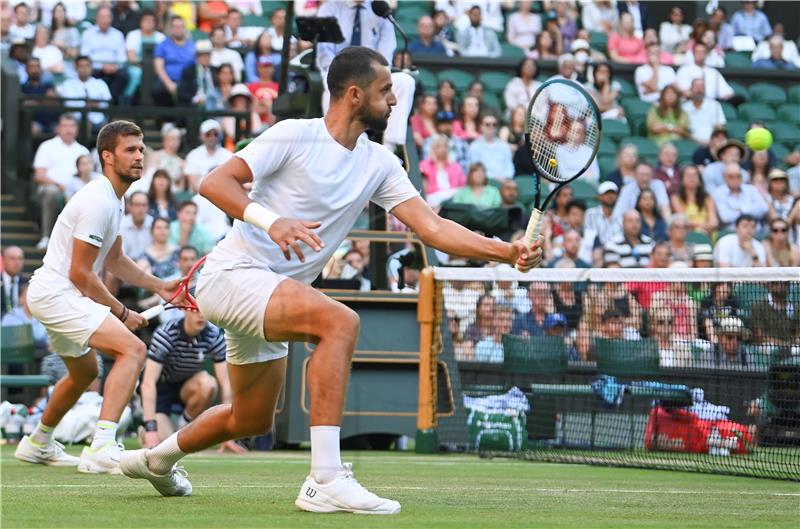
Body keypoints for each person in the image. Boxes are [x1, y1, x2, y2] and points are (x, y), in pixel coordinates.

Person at [119, 46, 542, 513]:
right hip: (233, 275)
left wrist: (506, 251)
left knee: (250, 417)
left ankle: (156, 459)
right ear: (355, 95)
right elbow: (215, 182)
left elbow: (434, 228)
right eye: (386, 92)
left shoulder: (380, 163)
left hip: (270, 292)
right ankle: (325, 478)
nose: (394, 102)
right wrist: (271, 221)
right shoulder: (294, 135)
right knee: (340, 323)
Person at [14, 121, 184, 473]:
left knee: (84, 372)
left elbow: (116, 259)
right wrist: (123, 313)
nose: (139, 157)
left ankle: (37, 443)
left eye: (141, 150)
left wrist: (159, 286)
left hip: (55, 292)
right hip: (58, 291)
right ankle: (102, 445)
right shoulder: (98, 200)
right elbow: (80, 273)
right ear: (107, 156)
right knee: (133, 350)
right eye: (130, 150)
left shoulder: (114, 199)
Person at [140, 310, 232, 447]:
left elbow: (226, 384)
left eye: (203, 309)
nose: (201, 315)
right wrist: (151, 430)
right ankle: (145, 429)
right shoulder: (166, 333)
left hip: (187, 386)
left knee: (208, 384)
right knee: (164, 446)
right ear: (184, 310)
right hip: (161, 390)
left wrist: (228, 433)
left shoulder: (213, 335)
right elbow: (148, 383)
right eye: (195, 310)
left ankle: (183, 428)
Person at [33, 114, 91, 249]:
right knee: (51, 192)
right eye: (65, 126)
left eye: (72, 126)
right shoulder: (47, 146)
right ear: (58, 128)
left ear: (77, 129)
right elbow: (39, 175)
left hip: (77, 190)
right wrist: (60, 185)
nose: (69, 130)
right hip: (54, 188)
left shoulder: (83, 150)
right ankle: (46, 237)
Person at [80, 6, 128, 104]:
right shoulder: (88, 34)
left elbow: (122, 57)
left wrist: (115, 66)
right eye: (102, 16)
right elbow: (85, 56)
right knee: (87, 71)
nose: (105, 20)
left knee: (124, 75)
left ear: (111, 18)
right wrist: (101, 67)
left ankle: (108, 103)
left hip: (114, 69)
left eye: (107, 17)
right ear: (96, 18)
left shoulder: (118, 35)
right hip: (95, 68)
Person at [57, 55, 112, 133]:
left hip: (98, 120)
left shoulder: (100, 83)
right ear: (76, 68)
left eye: (87, 66)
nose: (84, 69)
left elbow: (107, 103)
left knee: (109, 128)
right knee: (84, 125)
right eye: (81, 66)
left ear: (91, 68)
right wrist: (90, 104)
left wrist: (93, 104)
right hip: (75, 120)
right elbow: (69, 104)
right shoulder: (68, 84)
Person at [153, 16, 195, 107]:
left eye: (181, 26)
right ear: (171, 29)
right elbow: (159, 67)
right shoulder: (163, 45)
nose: (178, 29)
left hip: (187, 81)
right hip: (167, 80)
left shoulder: (192, 45)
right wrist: (168, 83)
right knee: (157, 89)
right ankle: (165, 120)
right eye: (176, 27)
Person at [712, 163, 768, 231]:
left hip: (756, 230)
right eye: (731, 176)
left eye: (738, 176)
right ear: (724, 177)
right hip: (732, 232)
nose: (735, 179)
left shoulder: (751, 189)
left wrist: (741, 209)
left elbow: (764, 208)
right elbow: (725, 217)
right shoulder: (718, 192)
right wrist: (751, 208)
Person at [419, 134, 466, 208]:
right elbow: (423, 188)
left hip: (452, 195)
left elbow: (462, 186)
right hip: (433, 196)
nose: (443, 149)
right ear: (433, 148)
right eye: (439, 146)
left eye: (445, 146)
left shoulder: (456, 166)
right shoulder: (424, 165)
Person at [421, 110, 470, 175]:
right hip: (435, 178)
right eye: (443, 123)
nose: (447, 126)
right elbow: (427, 164)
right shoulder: (429, 142)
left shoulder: (461, 143)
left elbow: (466, 166)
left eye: (449, 123)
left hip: (457, 180)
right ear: (437, 125)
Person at [682, 79, 726, 146]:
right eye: (696, 87)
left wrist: (713, 141)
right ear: (691, 89)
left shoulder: (715, 105)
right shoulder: (684, 107)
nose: (699, 90)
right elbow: (683, 129)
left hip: (712, 144)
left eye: (702, 87)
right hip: (690, 143)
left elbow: (719, 127)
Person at [468, 115, 513, 181]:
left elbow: (510, 167)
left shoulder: (504, 146)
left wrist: (505, 177)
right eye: (487, 124)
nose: (491, 127)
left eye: (494, 124)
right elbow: (476, 168)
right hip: (484, 182)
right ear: (481, 127)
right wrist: (493, 179)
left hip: (504, 182)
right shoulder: (474, 146)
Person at [177, 40, 219, 109]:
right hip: (195, 107)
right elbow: (182, 93)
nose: (205, 58)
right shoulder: (189, 71)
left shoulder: (216, 70)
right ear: (196, 57)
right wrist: (195, 99)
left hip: (215, 104)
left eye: (207, 55)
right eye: (202, 55)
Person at [121, 191, 154, 261]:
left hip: (150, 267)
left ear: (148, 207)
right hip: (126, 265)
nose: (141, 209)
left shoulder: (154, 224)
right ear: (129, 207)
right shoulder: (121, 225)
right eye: (137, 205)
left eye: (144, 205)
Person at [2, 246, 28, 317]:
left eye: (20, 258)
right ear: (4, 260)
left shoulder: (28, 283)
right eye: (12, 258)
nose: (17, 262)